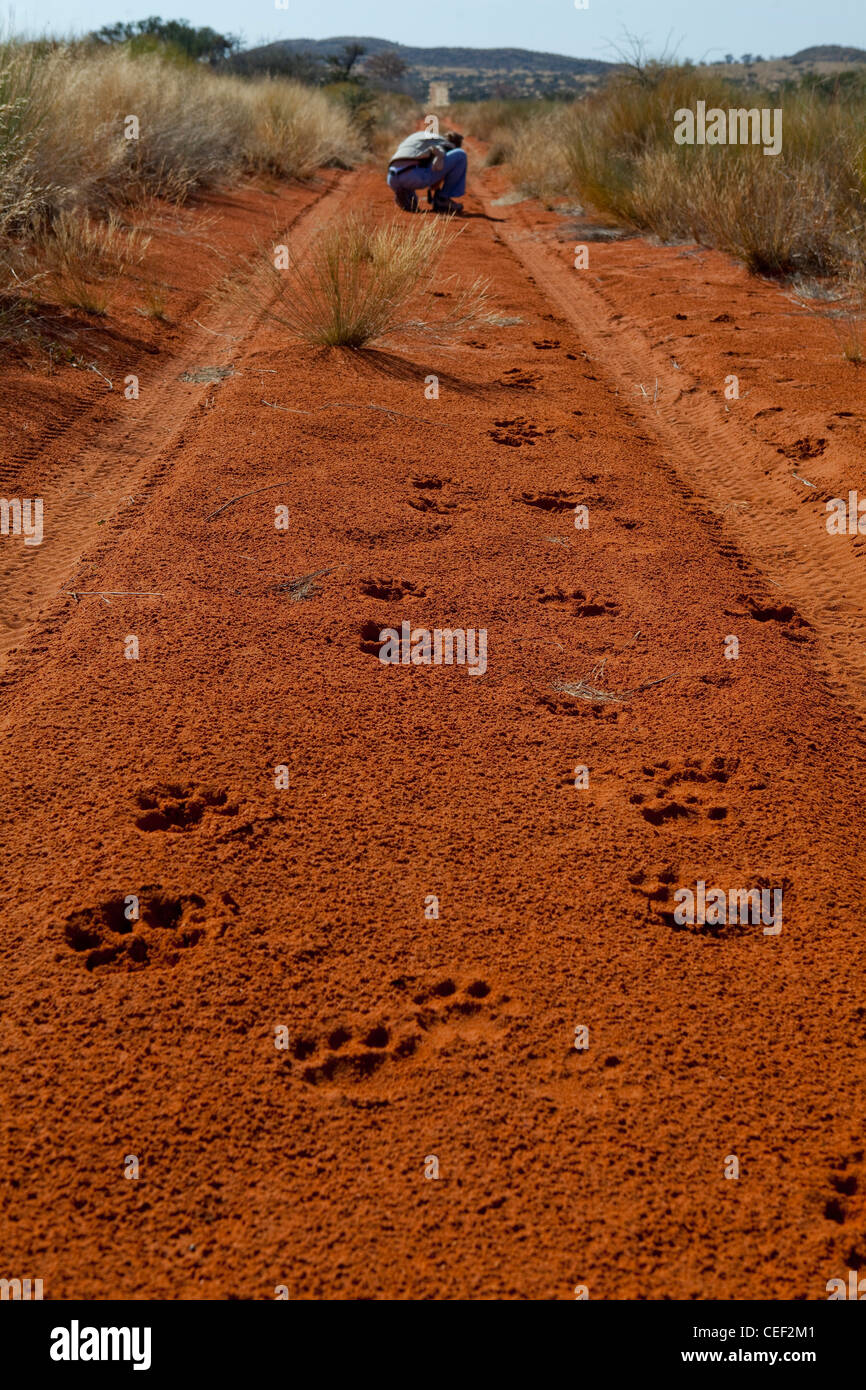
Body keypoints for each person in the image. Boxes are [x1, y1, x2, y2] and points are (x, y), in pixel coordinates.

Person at [386, 129, 467, 214]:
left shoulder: (421, 136)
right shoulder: (446, 145)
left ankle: (405, 192)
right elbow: (438, 168)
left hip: (392, 178)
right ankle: (443, 199)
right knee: (461, 155)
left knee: (414, 201)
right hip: (411, 176)